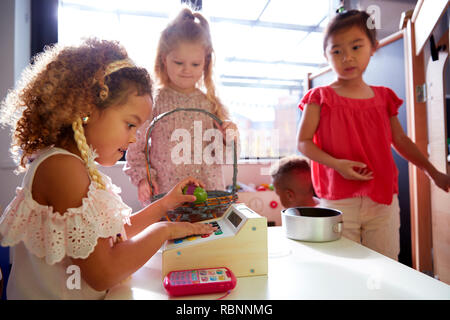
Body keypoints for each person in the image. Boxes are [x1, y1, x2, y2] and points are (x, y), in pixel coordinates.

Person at [0, 38, 215, 299]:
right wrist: (164, 230)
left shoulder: (76, 165)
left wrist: (164, 205)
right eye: (130, 124)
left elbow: (111, 236)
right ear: (87, 110)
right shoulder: (61, 168)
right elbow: (103, 273)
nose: (134, 138)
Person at [297, 10, 450, 260]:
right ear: (326, 55)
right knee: (342, 265)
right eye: (337, 51)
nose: (347, 57)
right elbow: (302, 142)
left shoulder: (384, 97)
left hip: (381, 199)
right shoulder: (319, 97)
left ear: (373, 47)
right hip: (338, 199)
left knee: (386, 263)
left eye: (356, 47)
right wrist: (337, 165)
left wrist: (433, 172)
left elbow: (400, 140)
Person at [124, 8, 239, 221]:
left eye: (195, 64)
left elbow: (225, 157)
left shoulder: (211, 104)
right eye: (178, 62)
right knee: (172, 249)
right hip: (167, 199)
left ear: (206, 63)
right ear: (163, 59)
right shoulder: (153, 102)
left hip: (208, 201)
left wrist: (227, 136)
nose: (187, 70)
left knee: (207, 248)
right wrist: (143, 179)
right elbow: (135, 149)